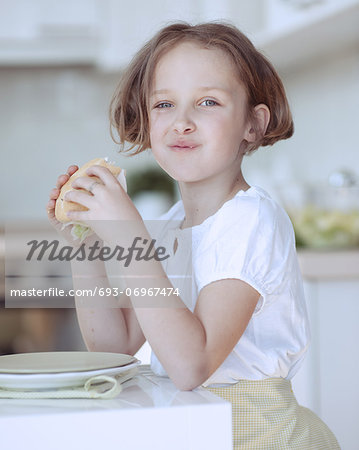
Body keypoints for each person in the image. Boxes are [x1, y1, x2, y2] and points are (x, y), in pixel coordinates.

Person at [47, 22, 340, 449]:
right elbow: (114, 346)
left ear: (253, 125)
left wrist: (129, 235)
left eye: (208, 102)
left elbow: (191, 365)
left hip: (264, 437)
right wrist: (85, 240)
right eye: (164, 104)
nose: (181, 122)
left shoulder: (251, 220)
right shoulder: (170, 224)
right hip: (196, 433)